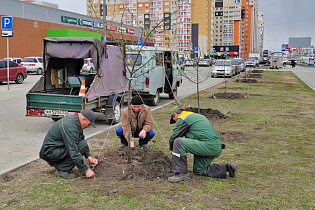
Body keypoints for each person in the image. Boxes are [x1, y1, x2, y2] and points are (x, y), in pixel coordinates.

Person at [168, 106, 237, 183]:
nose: (175, 122)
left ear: (175, 114)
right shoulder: (195, 117)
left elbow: (175, 136)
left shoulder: (183, 118)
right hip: (215, 147)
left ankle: (181, 174)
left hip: (207, 145)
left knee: (178, 142)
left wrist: (172, 148)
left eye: (174, 119)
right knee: (199, 170)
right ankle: (227, 168)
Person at [39, 109, 98, 179]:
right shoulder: (70, 127)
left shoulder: (75, 123)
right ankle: (62, 170)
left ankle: (60, 165)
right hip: (49, 152)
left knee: (82, 144)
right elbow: (73, 150)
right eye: (89, 124)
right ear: (84, 119)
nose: (88, 126)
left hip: (56, 150)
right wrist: (86, 170)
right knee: (80, 147)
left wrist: (89, 157)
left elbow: (81, 139)